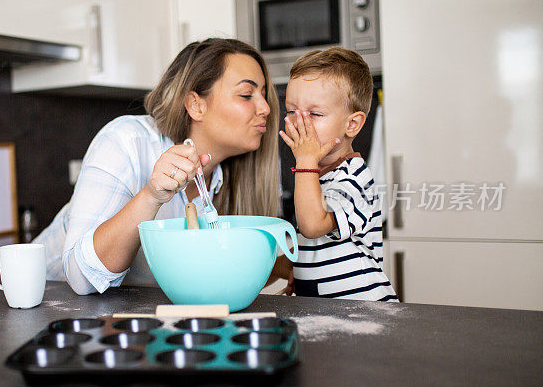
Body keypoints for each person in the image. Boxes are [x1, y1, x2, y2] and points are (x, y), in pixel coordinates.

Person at [35, 38, 281, 294]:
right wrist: (152, 196)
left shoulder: (230, 177)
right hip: (40, 304)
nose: (265, 108)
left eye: (263, 95)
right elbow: (81, 279)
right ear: (196, 105)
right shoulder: (127, 142)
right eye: (246, 95)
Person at [276, 47, 397, 301]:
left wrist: (305, 162)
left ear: (352, 124)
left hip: (365, 312)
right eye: (291, 111)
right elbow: (316, 245)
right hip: (329, 311)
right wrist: (302, 272)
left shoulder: (355, 177)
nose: (300, 123)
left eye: (315, 114)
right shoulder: (314, 177)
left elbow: (312, 226)